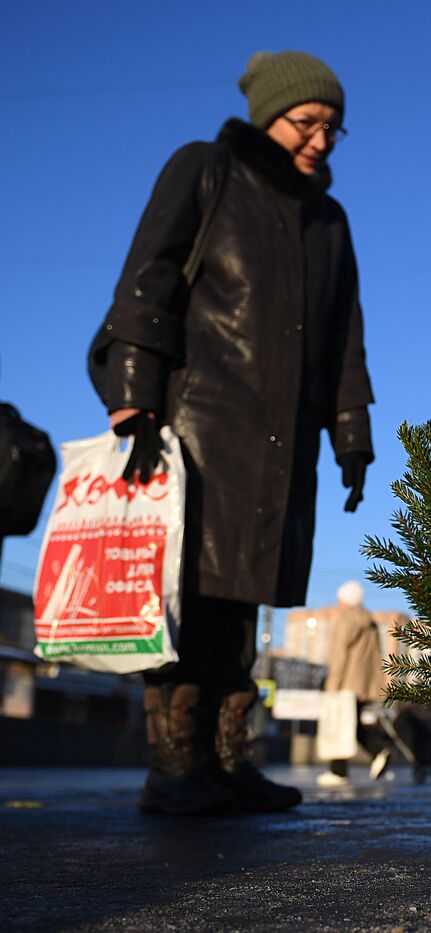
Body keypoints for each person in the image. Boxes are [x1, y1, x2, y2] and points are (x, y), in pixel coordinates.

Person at [88, 51, 374, 815]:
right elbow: (146, 280)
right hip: (198, 423)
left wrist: (353, 434)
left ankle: (226, 759)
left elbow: (345, 335)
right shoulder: (206, 169)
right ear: (269, 113)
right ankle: (175, 767)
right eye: (308, 122)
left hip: (285, 439)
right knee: (191, 593)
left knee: (248, 596)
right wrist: (132, 398)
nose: (321, 140)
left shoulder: (329, 219)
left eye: (333, 129)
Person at [318, 580, 391, 785]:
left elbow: (339, 654)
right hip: (363, 683)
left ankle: (339, 772)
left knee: (340, 725)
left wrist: (332, 683)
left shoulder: (347, 619)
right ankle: (378, 751)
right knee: (353, 724)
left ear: (344, 599)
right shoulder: (370, 621)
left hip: (345, 682)